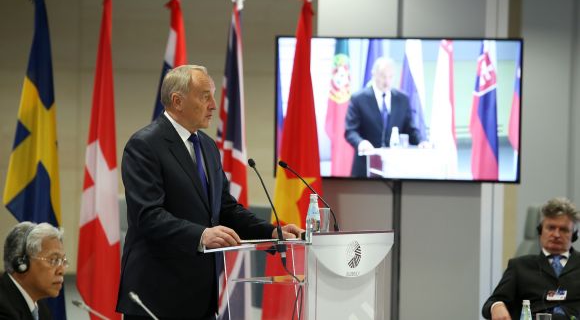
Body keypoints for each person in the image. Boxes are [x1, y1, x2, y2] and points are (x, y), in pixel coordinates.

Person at [116, 65, 303, 320]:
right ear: (177, 101)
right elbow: (147, 216)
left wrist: (271, 231)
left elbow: (225, 208)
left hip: (200, 297)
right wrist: (202, 235)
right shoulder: (145, 145)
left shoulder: (207, 146)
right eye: (205, 96)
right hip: (157, 296)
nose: (214, 105)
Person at [482, 197, 580, 320]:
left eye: (564, 230)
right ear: (540, 230)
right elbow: (492, 302)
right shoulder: (519, 266)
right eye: (551, 228)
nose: (556, 235)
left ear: (574, 235)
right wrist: (497, 306)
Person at [345, 56, 425, 177]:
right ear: (374, 74)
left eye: (390, 76)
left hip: (394, 168)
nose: (387, 81)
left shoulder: (402, 99)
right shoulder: (358, 99)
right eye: (383, 76)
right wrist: (361, 143)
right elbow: (350, 131)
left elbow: (410, 128)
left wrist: (421, 141)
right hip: (365, 167)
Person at [1, 222, 67, 320]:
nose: (61, 270)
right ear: (22, 263)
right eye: (53, 260)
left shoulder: (42, 310)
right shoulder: (3, 308)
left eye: (63, 261)